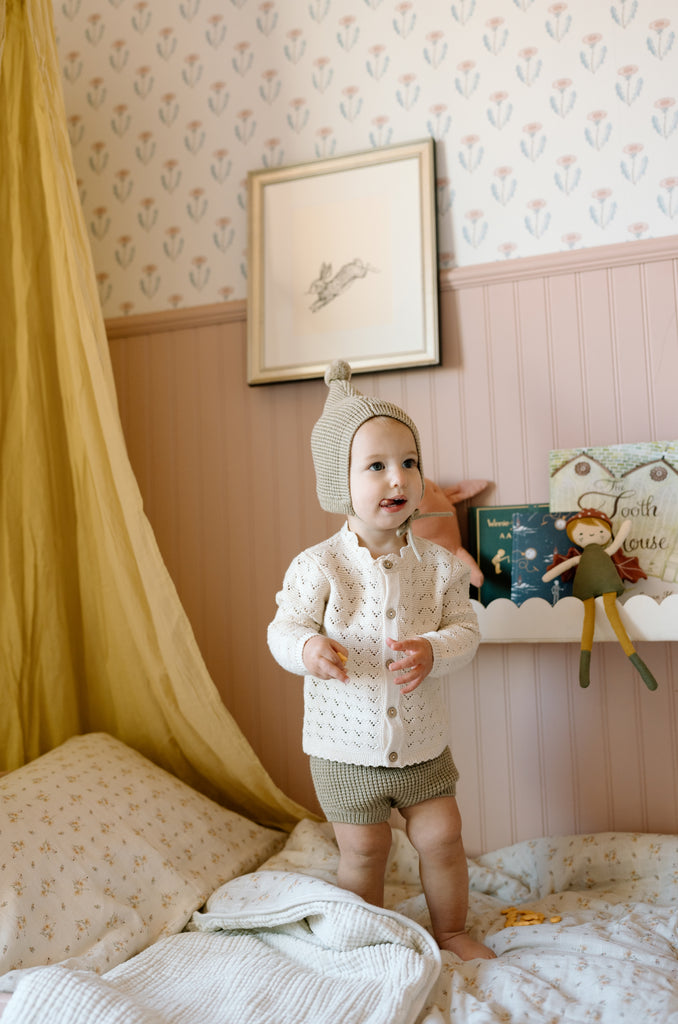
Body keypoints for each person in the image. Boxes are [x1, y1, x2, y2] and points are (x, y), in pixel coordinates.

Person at [268, 359, 496, 961]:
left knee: (444, 837)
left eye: (409, 463)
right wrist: (307, 649)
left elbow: (465, 631)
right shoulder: (319, 565)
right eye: (376, 466)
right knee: (364, 851)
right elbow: (283, 627)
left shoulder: (440, 567)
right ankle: (369, 940)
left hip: (422, 745)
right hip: (344, 750)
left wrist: (433, 651)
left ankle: (450, 931)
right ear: (339, 485)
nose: (397, 478)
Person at [542, 509, 658, 690]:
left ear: (605, 533)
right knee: (588, 624)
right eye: (581, 533)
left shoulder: (605, 551)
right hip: (587, 588)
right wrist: (550, 575)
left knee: (611, 619)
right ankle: (585, 668)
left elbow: (618, 540)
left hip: (607, 587)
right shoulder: (581, 557)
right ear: (574, 536)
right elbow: (567, 564)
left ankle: (635, 660)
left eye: (596, 531)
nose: (588, 535)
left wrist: (625, 528)